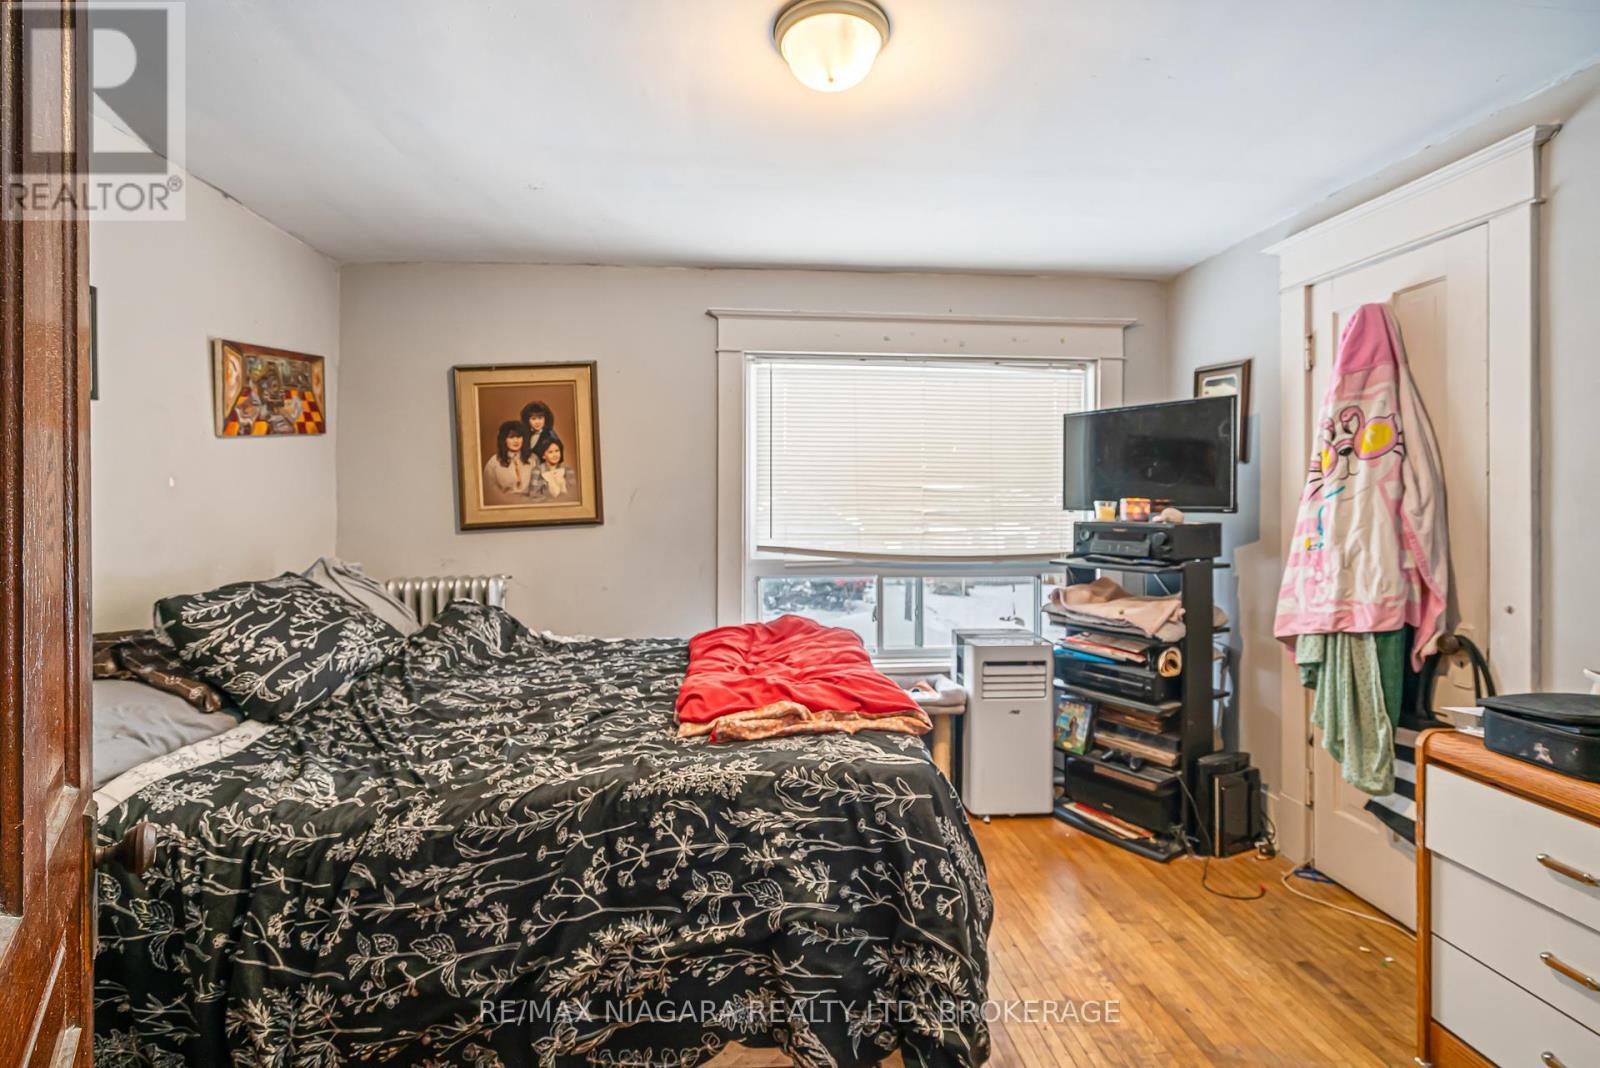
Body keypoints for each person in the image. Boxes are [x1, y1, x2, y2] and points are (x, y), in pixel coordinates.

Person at [482, 420, 532, 503]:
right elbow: (489, 491)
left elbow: (538, 491)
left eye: (519, 437)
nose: (516, 441)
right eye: (511, 437)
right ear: (504, 440)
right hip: (503, 507)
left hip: (529, 506)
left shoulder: (532, 460)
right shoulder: (494, 462)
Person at [528, 436, 577, 502]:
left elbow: (573, 492)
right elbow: (534, 495)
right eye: (550, 452)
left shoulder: (567, 469)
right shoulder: (537, 470)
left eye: (557, 451)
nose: (555, 455)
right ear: (543, 455)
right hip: (546, 506)